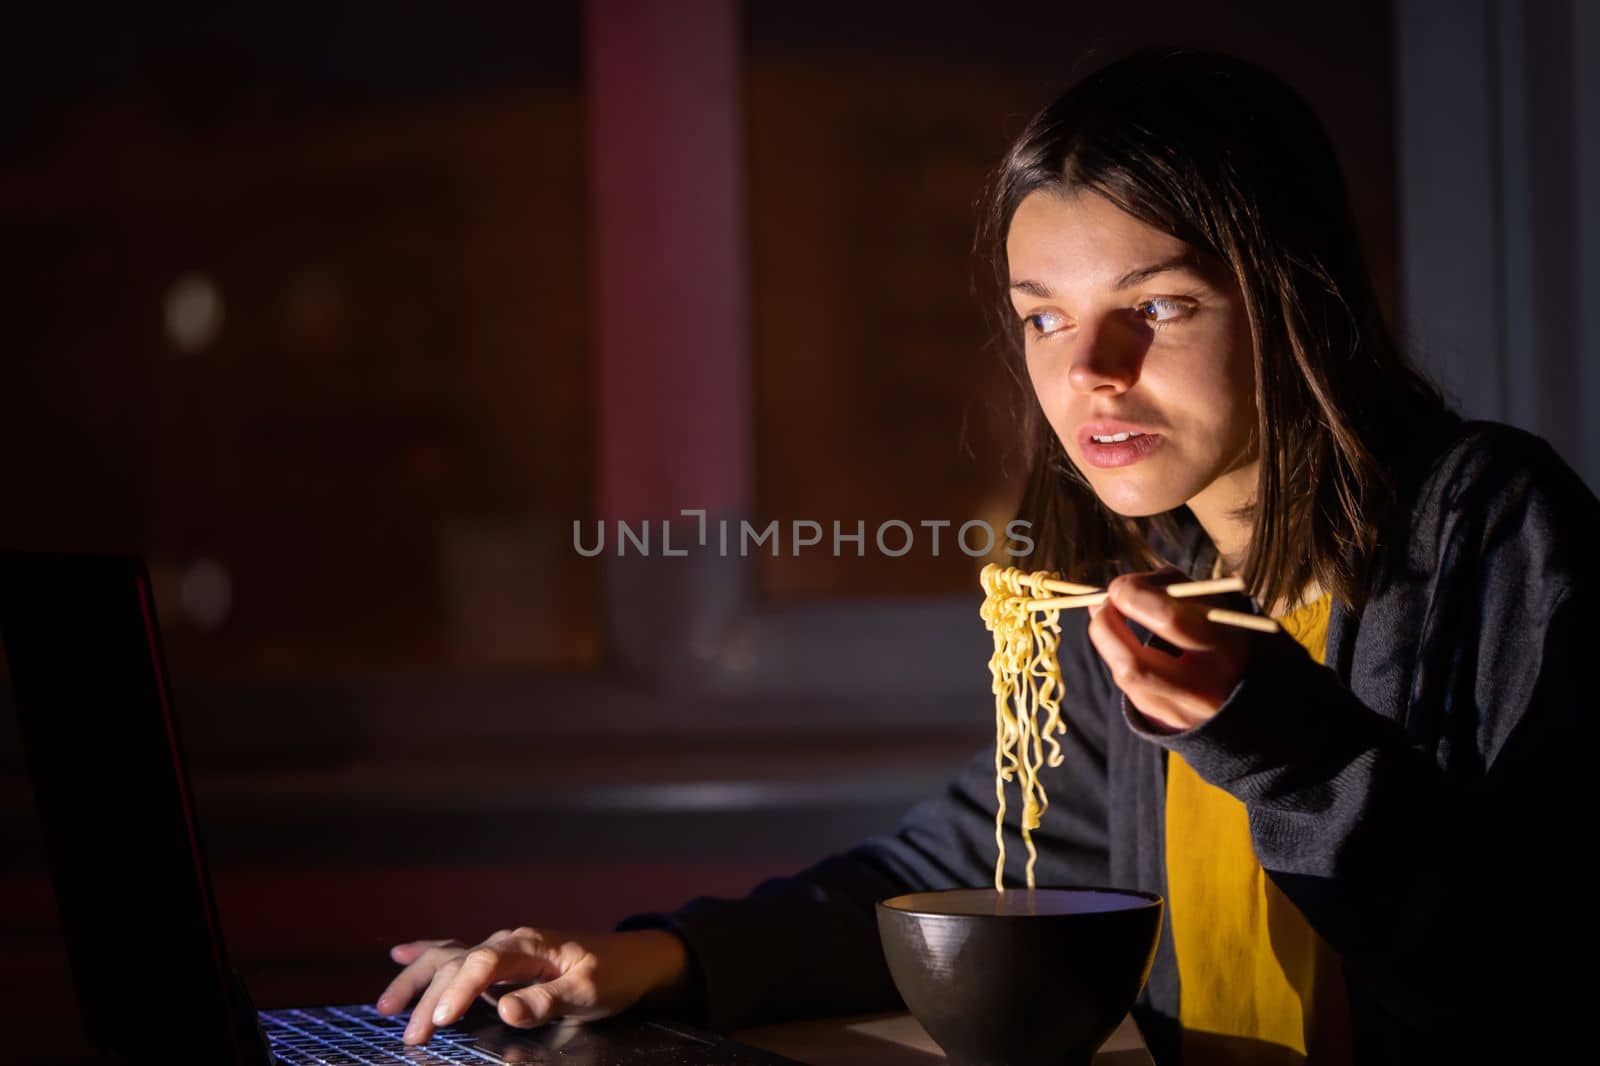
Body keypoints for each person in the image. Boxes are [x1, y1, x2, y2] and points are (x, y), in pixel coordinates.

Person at [374, 50, 1596, 1063]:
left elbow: (1535, 967)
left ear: (1292, 296)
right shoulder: (1141, 571)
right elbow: (960, 873)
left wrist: (1270, 731)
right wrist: (638, 958)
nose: (1086, 372)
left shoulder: (1487, 527)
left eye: (1158, 306)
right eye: (1042, 316)